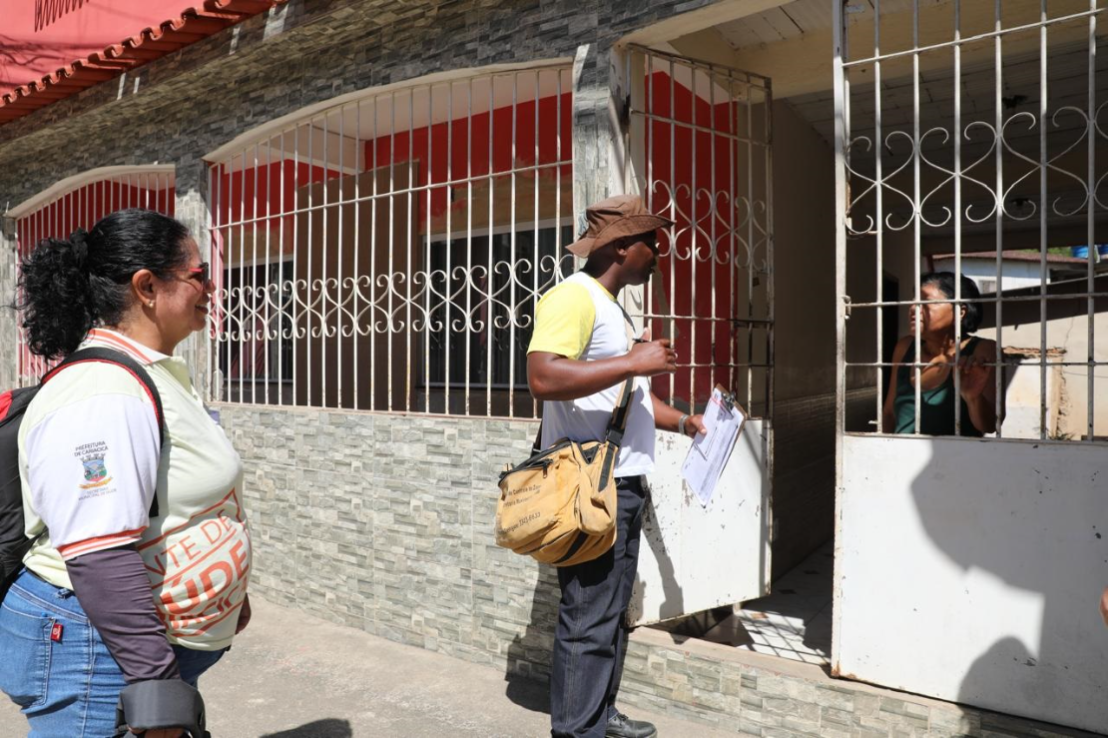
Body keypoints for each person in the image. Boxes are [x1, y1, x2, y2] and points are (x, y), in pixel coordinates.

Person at [0, 209, 251, 738]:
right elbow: (98, 555)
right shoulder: (103, 391)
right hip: (93, 648)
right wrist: (157, 690)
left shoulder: (155, 372)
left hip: (124, 643)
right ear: (147, 286)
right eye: (198, 275)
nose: (211, 289)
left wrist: (226, 594)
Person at [527, 195, 707, 739]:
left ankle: (600, 716)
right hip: (589, 484)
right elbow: (543, 377)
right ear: (621, 246)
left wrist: (685, 422)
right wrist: (634, 358)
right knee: (586, 619)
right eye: (650, 242)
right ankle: (577, 731)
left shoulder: (611, 305)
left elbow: (629, 399)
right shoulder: (572, 297)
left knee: (609, 616)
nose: (658, 252)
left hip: (621, 484)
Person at [882, 272, 998, 436]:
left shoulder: (982, 350)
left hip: (958, 459)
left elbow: (990, 425)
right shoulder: (905, 347)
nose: (914, 308)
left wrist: (973, 399)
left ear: (960, 312)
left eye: (926, 302)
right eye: (914, 302)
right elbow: (889, 412)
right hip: (902, 456)